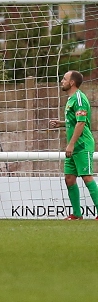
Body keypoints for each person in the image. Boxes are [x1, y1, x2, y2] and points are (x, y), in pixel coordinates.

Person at [49, 70, 98, 220]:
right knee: (69, 178)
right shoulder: (71, 99)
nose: (61, 81)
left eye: (64, 79)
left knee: (87, 177)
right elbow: (75, 121)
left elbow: (82, 123)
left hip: (81, 145)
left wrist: (70, 145)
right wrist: (62, 124)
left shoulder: (79, 98)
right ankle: (77, 215)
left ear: (72, 83)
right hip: (73, 146)